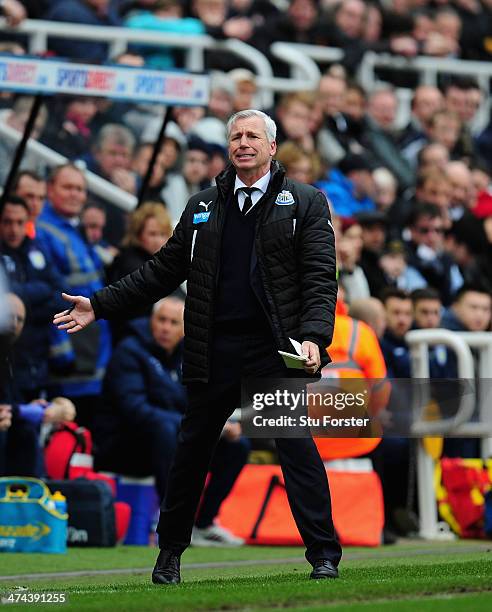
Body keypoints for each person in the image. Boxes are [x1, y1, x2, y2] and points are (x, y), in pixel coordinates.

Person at [54, 109, 341, 583]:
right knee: (190, 453)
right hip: (215, 347)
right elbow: (161, 272)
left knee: (294, 447)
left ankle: (324, 554)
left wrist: (313, 338)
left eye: (253, 136)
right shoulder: (202, 205)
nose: (243, 143)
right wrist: (100, 305)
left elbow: (319, 278)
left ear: (272, 147)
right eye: (236, 136)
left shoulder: (307, 202)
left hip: (274, 349)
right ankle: (169, 555)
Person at [94, 297, 249, 546]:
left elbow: (203, 402)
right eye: (161, 320)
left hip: (173, 436)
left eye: (174, 322)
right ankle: (175, 522)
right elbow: (136, 410)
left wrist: (220, 424)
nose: (166, 327)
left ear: (186, 327)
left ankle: (203, 524)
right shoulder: (129, 351)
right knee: (164, 429)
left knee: (237, 445)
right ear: (151, 321)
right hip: (124, 443)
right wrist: (190, 425)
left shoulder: (190, 355)